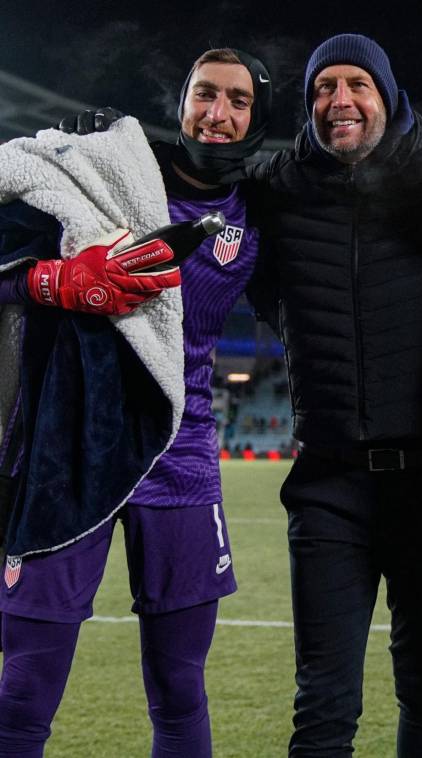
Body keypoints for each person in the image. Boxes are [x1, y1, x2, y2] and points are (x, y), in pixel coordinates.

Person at [0, 47, 271, 757]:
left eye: (238, 100)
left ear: (258, 118)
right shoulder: (105, 173)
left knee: (180, 691)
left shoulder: (262, 212)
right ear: (180, 103)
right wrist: (53, 281)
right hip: (71, 450)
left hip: (182, 461)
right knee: (24, 692)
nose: (217, 113)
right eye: (204, 94)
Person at [244, 33, 422, 756]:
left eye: (357, 84)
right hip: (328, 482)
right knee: (322, 702)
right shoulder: (276, 188)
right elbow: (227, 241)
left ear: (388, 95)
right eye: (324, 87)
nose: (339, 100)